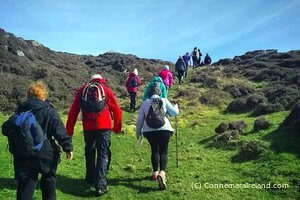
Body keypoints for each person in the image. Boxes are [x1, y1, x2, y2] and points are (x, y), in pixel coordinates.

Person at [2, 81, 73, 200]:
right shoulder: (49, 111)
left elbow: (5, 129)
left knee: (25, 186)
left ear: (28, 96)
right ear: (43, 96)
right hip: (46, 153)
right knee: (49, 180)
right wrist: (68, 147)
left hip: (24, 152)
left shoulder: (20, 110)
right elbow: (59, 130)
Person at [66, 74, 122, 197]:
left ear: (91, 80)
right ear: (102, 80)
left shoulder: (82, 90)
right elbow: (117, 110)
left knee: (90, 150)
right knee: (103, 153)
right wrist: (117, 128)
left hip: (88, 127)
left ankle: (90, 177)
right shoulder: (106, 90)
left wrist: (69, 131)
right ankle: (101, 185)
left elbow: (73, 111)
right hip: (104, 126)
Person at [136, 83, 179, 190]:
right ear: (159, 92)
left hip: (149, 131)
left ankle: (155, 172)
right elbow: (174, 113)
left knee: (154, 150)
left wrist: (138, 135)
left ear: (149, 93)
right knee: (163, 151)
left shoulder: (145, 103)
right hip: (165, 129)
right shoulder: (164, 100)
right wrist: (176, 106)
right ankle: (162, 173)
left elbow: (139, 121)